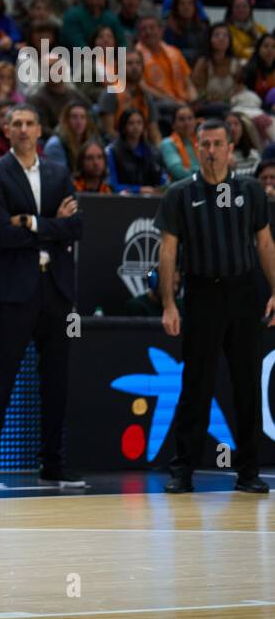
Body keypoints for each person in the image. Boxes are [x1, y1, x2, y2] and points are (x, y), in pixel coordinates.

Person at [156, 119, 275, 494]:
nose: (210, 151)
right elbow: (168, 250)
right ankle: (183, 470)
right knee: (196, 385)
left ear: (229, 148)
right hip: (202, 293)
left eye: (217, 144)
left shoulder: (252, 191)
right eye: (204, 144)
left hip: (244, 294)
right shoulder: (180, 194)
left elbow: (265, 245)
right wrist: (168, 304)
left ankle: (248, 471)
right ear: (197, 147)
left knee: (245, 387)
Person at [0, 104, 84, 490]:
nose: (22, 129)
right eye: (16, 123)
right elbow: (1, 232)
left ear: (40, 130)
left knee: (58, 381)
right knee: (0, 377)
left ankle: (53, 464)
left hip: (55, 288)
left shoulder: (58, 171)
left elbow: (77, 226)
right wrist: (51, 225)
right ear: (6, 130)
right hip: (12, 289)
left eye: (29, 123)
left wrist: (32, 222)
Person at [106, 109, 167, 195]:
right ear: (123, 127)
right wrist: (138, 189)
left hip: (151, 198)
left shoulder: (154, 152)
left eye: (139, 123)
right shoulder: (112, 151)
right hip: (123, 200)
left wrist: (161, 188)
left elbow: (163, 180)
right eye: (131, 123)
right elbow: (112, 185)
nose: (136, 127)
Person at [159, 105, 201, 181]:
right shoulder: (167, 144)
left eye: (190, 118)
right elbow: (178, 172)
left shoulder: (198, 142)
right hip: (178, 188)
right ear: (173, 125)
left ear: (195, 122)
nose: (187, 123)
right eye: (181, 119)